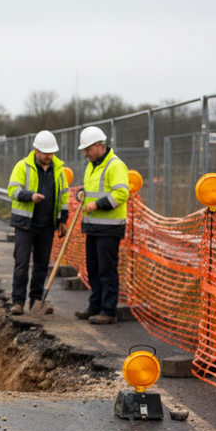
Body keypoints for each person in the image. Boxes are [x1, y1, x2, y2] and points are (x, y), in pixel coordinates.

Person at [7, 130, 69, 315]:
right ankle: (18, 301)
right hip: (25, 225)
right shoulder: (22, 167)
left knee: (42, 265)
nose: (49, 156)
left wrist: (62, 220)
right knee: (21, 263)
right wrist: (30, 196)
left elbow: (63, 197)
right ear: (36, 150)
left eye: (52, 152)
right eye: (46, 153)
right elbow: (12, 190)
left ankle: (36, 301)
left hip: (46, 225)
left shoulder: (58, 170)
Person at [74, 126, 130, 324]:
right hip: (93, 226)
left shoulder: (115, 165)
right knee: (94, 269)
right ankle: (95, 306)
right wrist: (80, 193)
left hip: (109, 227)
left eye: (88, 149)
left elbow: (121, 193)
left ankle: (108, 310)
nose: (85, 153)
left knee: (107, 270)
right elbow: (90, 189)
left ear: (99, 145)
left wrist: (97, 204)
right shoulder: (92, 165)